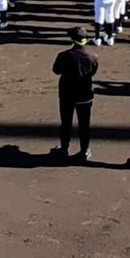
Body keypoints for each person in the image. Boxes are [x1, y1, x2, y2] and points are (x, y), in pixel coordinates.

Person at [51, 27, 99, 162]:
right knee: (84, 124)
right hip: (85, 94)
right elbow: (93, 72)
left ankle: (64, 149)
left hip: (67, 94)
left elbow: (56, 70)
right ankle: (84, 150)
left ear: (72, 40)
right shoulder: (93, 57)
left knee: (66, 123)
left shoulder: (64, 55)